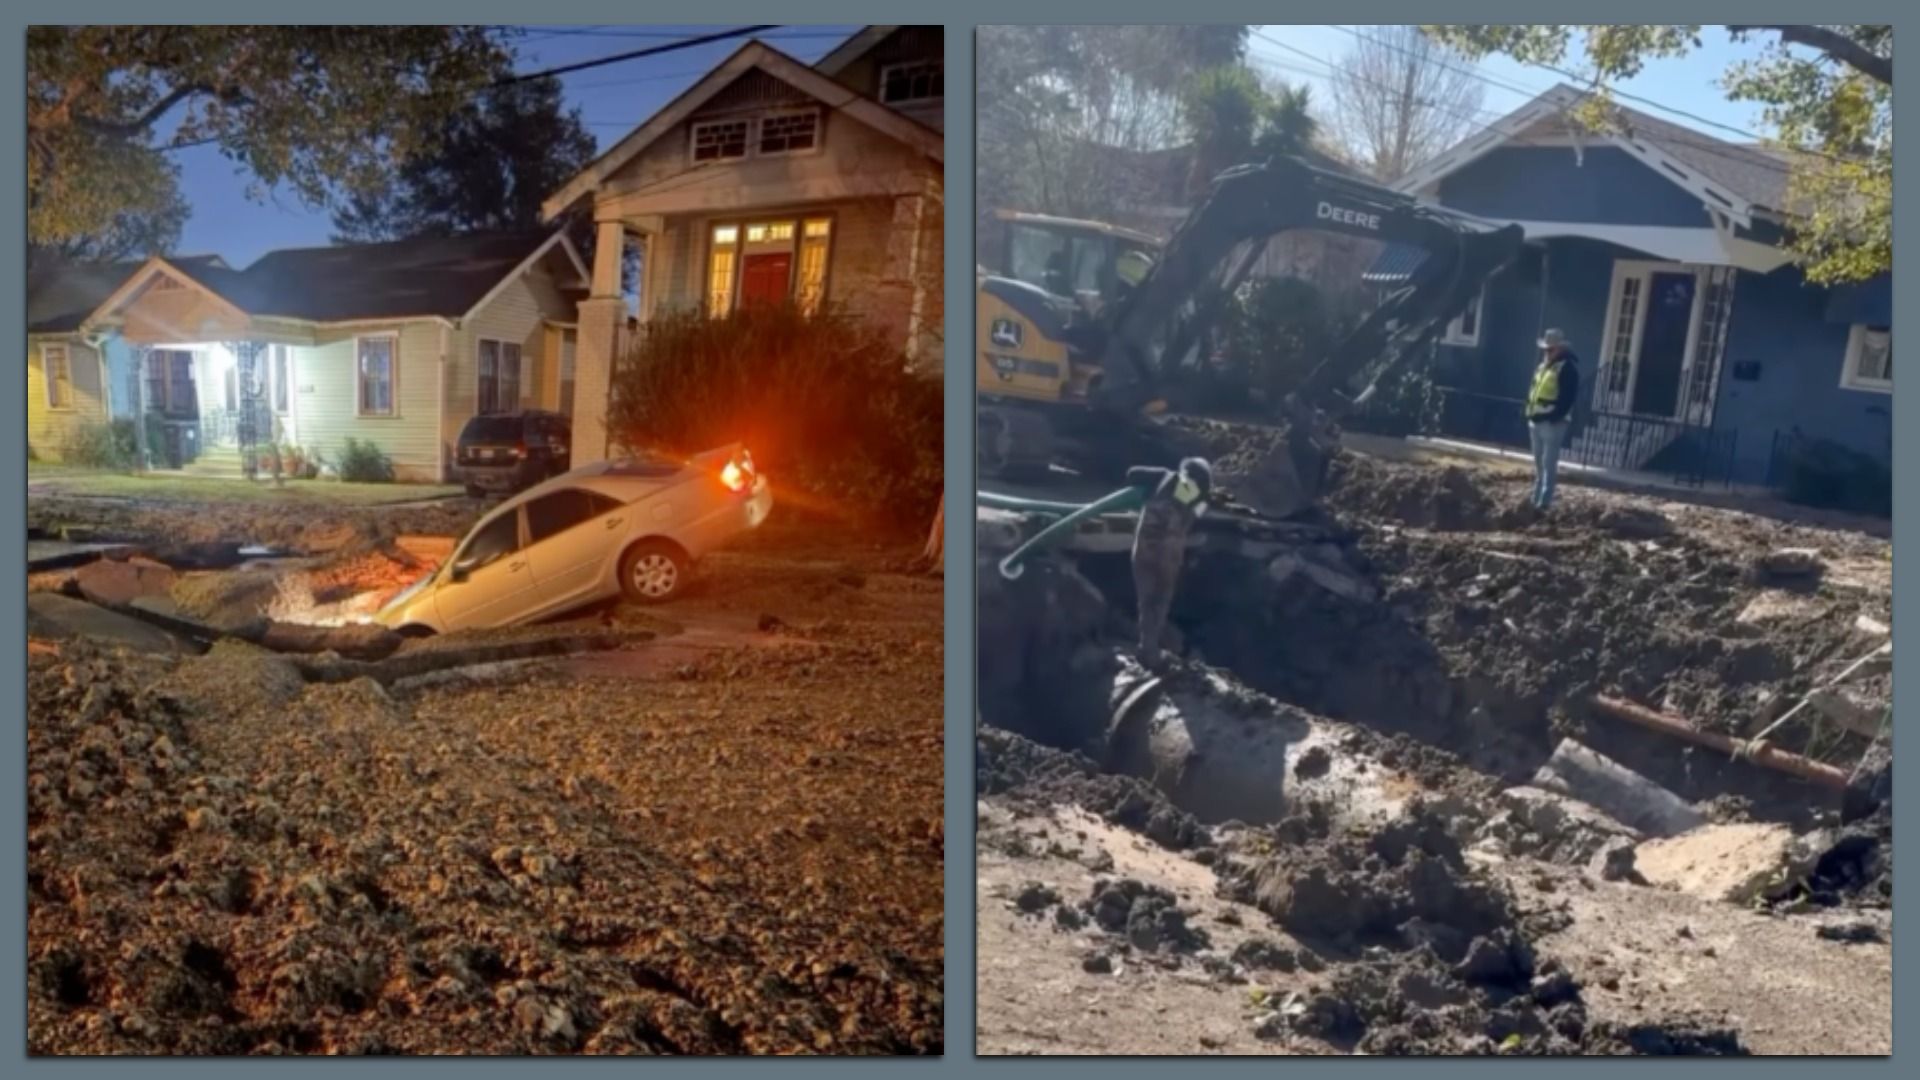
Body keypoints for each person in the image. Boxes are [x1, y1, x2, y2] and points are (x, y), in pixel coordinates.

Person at [1126, 457, 1212, 669]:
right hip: (1169, 554)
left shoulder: (1166, 476)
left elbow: (1131, 473)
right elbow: (1200, 511)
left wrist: (1150, 482)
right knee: (1161, 598)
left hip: (1146, 547)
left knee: (1146, 600)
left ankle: (1148, 649)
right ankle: (1154, 648)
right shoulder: (1199, 498)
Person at [1525, 328, 1580, 511]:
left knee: (1549, 462)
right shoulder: (1543, 367)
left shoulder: (1568, 369)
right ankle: (1536, 497)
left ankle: (1544, 501)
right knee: (1538, 462)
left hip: (1553, 423)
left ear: (1561, 349)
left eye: (1551, 349)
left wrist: (1554, 416)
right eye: (1546, 349)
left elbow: (1567, 398)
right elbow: (1534, 390)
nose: (1547, 352)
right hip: (1536, 420)